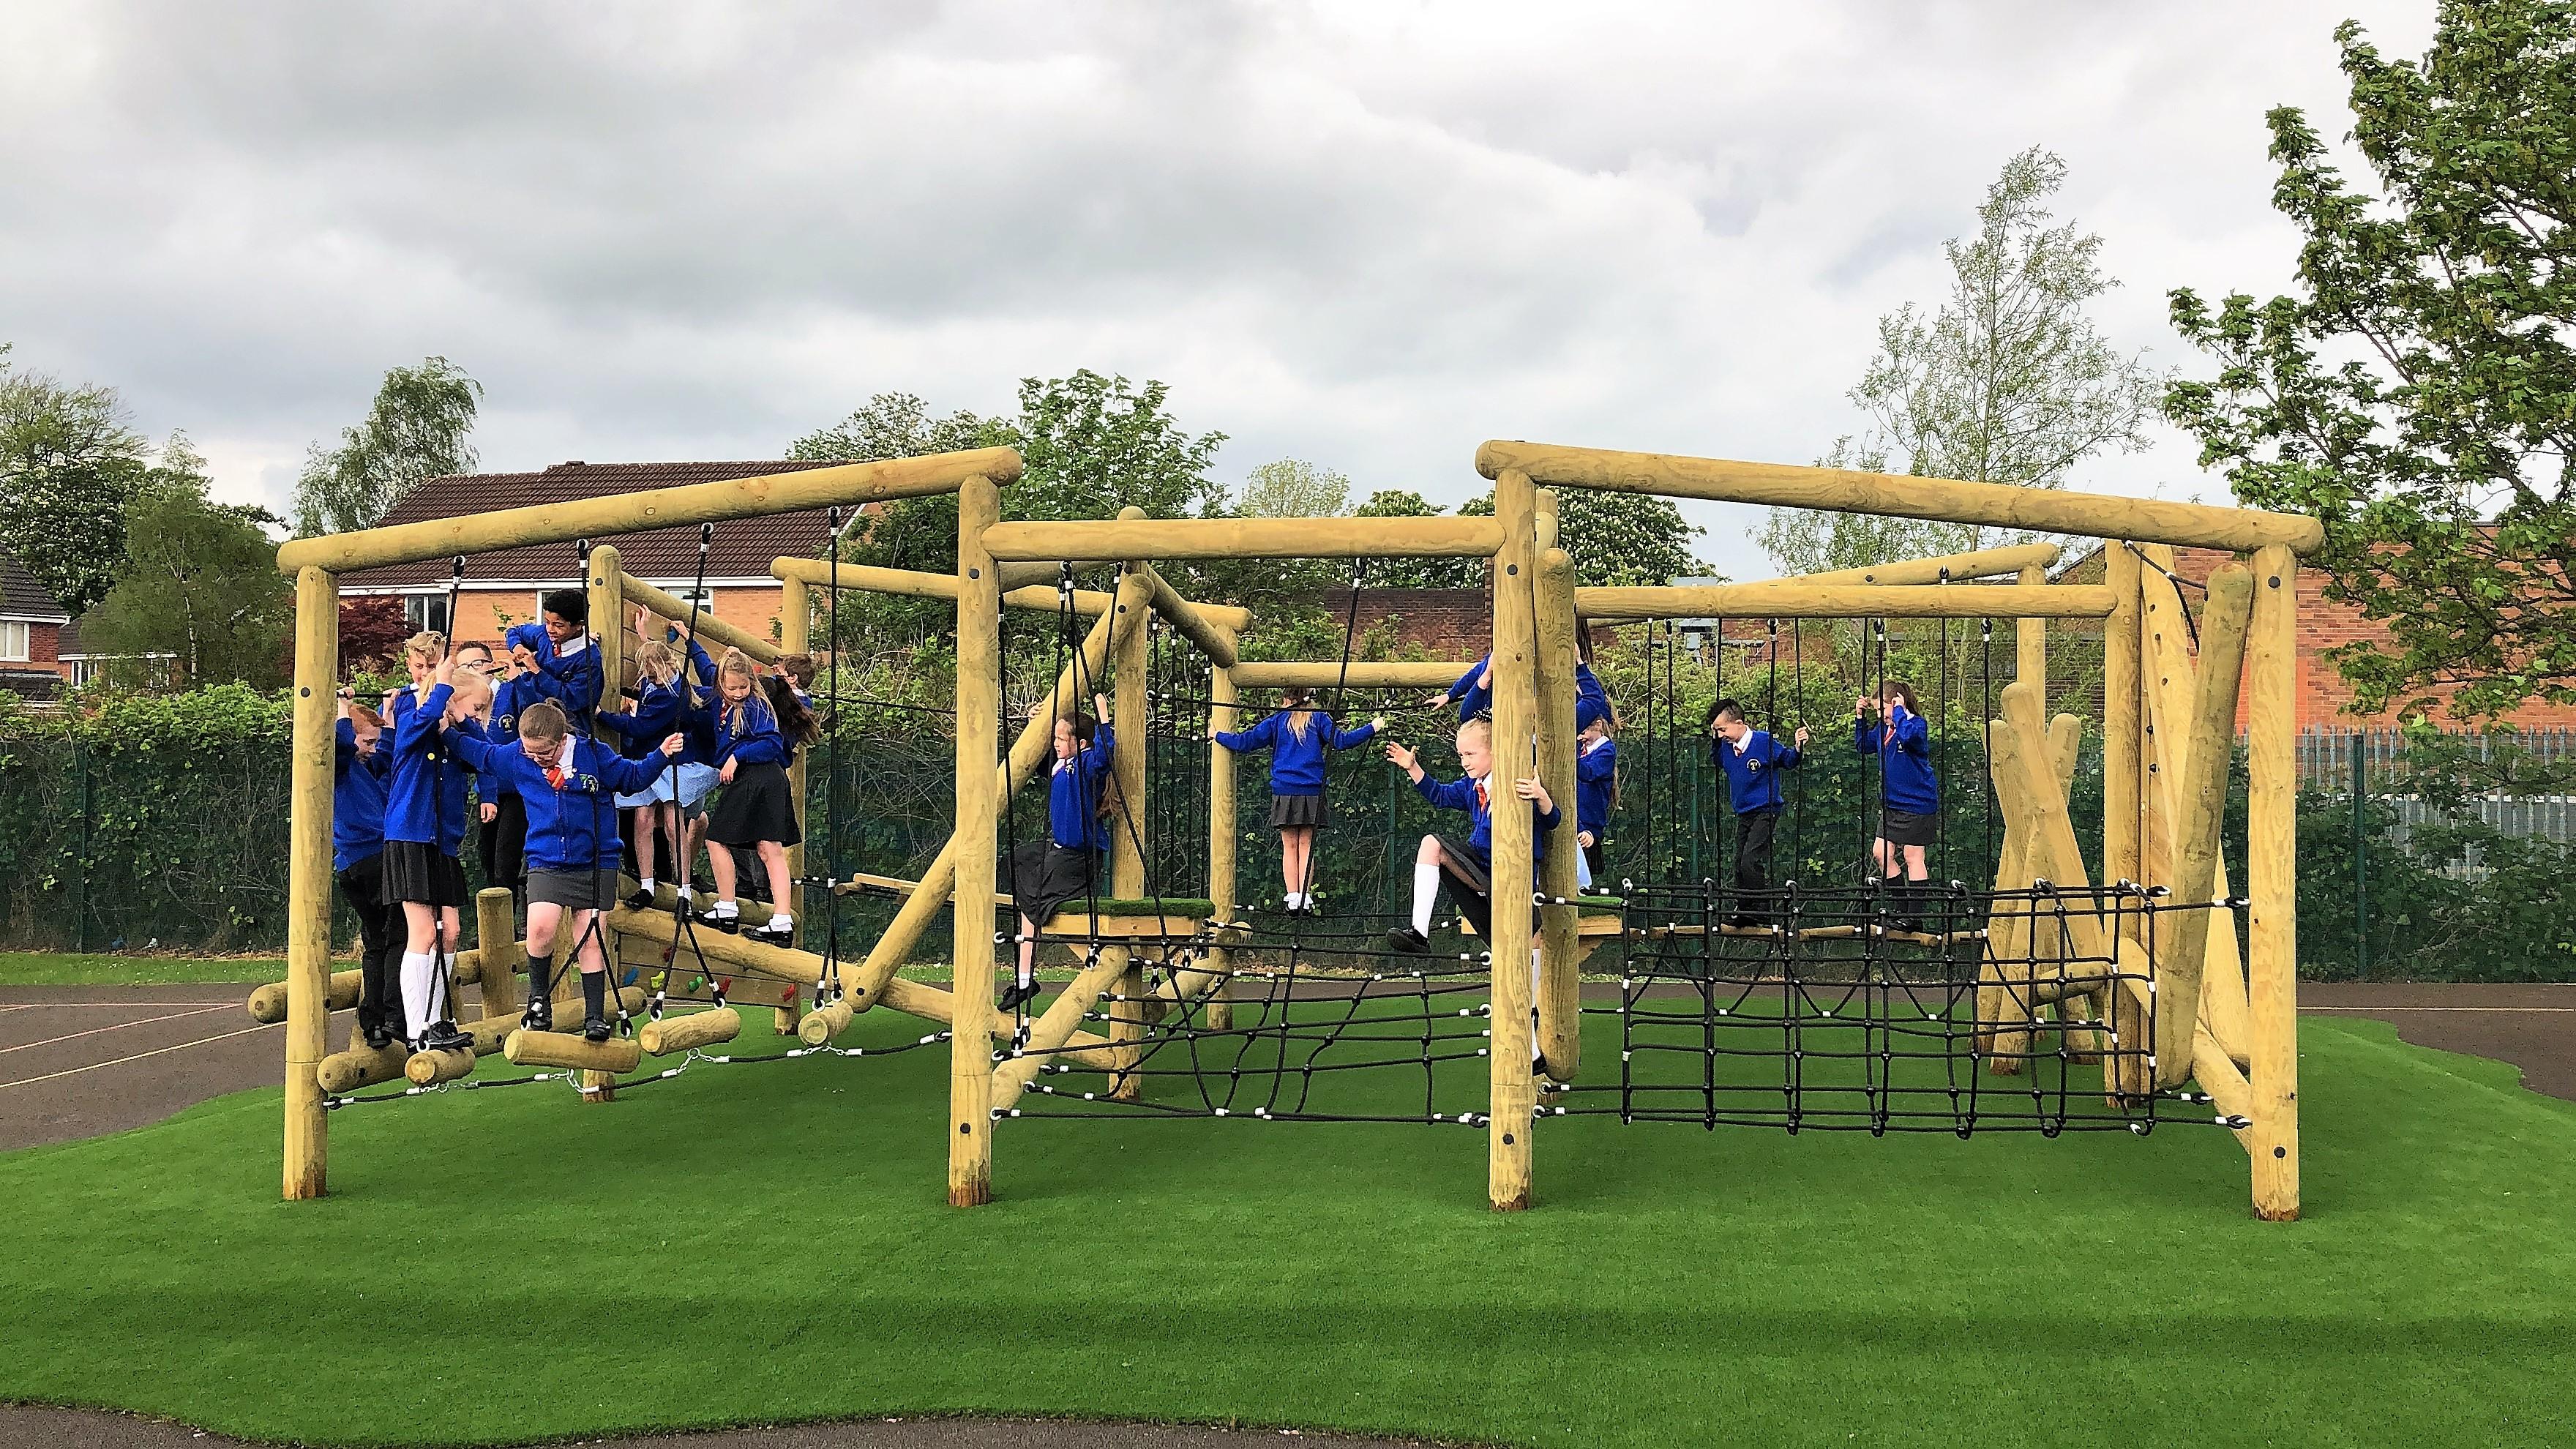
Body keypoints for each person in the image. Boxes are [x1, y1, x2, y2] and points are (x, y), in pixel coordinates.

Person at [449, 700, 684, 1041]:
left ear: (562, 741)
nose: (535, 759)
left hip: (595, 858)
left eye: (543, 752)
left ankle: (593, 1016)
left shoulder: (592, 753)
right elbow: (482, 753)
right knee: (540, 928)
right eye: (529, 751)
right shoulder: (518, 756)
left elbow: (631, 778)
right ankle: (538, 1001)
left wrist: (662, 753)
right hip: (546, 858)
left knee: (591, 937)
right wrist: (448, 729)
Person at [379, 636, 492, 1052]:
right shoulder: (413, 723)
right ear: (450, 698)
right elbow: (421, 722)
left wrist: (462, 721)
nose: (478, 715)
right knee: (423, 932)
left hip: (441, 843)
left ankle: (437, 1019)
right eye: (474, 706)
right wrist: (441, 685)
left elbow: (483, 754)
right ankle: (417, 1027)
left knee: (451, 932)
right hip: (410, 836)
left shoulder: (451, 736)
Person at [1380, 716, 1561, 952]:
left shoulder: (1518, 781)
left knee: (1527, 941)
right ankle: (1419, 934)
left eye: (1470, 754)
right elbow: (1440, 796)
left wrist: (1541, 796)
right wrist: (1413, 767)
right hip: (1482, 866)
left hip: (1515, 871)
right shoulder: (1471, 785)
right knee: (1431, 845)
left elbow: (1552, 819)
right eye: (1461, 755)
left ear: (1496, 750)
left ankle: (1535, 989)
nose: (1464, 762)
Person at [1210, 686, 1384, 913]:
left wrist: (1218, 735)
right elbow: (1343, 741)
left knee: (1289, 846)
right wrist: (1371, 728)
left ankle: (1293, 897)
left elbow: (1247, 742)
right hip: (1312, 792)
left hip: (1285, 791)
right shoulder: (1319, 719)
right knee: (1306, 845)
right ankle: (1304, 896)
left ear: (1287, 700)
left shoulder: (1278, 721)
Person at [999, 693, 1115, 1011]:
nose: (1056, 743)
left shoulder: (1087, 766)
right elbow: (1032, 757)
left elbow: (1106, 755)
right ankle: (1024, 980)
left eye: (1061, 739)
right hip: (1060, 852)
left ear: (1081, 743)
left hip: (1079, 859)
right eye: (1055, 739)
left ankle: (1031, 976)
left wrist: (1103, 716)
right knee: (1016, 862)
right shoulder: (1060, 765)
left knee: (1034, 901)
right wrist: (1036, 723)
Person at [693, 647, 809, 942]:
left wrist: (737, 757)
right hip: (768, 779)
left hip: (756, 776)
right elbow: (705, 672)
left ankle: (727, 906)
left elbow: (772, 743)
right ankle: (781, 920)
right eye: (731, 688)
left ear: (752, 682)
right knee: (769, 850)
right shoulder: (720, 700)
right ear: (721, 684)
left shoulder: (757, 706)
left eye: (743, 686)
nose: (738, 693)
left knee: (716, 839)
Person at [596, 637, 694, 911]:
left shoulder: (673, 696)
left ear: (660, 666)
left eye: (648, 669)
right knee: (642, 819)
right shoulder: (654, 682)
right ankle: (646, 884)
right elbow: (648, 680)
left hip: (670, 759)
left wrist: (603, 715)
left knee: (675, 823)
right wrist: (641, 634)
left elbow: (640, 727)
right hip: (646, 759)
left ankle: (684, 889)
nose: (646, 675)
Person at [331, 693, 400, 1050]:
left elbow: (388, 756)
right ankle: (393, 1016)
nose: (372, 748)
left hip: (354, 865)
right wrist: (342, 708)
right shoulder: (339, 765)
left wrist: (387, 716)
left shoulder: (363, 766)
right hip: (372, 860)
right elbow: (343, 741)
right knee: (398, 937)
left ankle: (373, 1022)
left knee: (375, 942)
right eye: (367, 741)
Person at [1707, 698, 1811, 926]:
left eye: (1723, 729)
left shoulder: (1763, 742)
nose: (1721, 735)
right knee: (1738, 864)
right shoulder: (1725, 748)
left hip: (1766, 809)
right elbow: (1718, 761)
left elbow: (1788, 761)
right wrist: (1715, 740)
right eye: (1717, 731)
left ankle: (1762, 908)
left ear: (1739, 723)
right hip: (1745, 812)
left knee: (1750, 859)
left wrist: (1798, 747)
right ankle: (1745, 910)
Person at [1855, 681, 1938, 930]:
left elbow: (1908, 736)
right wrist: (1860, 718)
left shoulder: (1915, 725)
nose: (1880, 716)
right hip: (1892, 805)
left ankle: (1915, 918)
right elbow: (1863, 746)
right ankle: (1902, 910)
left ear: (1896, 703)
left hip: (1916, 803)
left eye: (1883, 709)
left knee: (1913, 856)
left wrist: (1900, 712)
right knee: (1880, 853)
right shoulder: (1884, 729)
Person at [458, 637, 533, 903]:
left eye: (477, 663)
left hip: (515, 789)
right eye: (464, 666)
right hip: (487, 792)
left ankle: (513, 927)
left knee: (506, 859)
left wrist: (519, 679)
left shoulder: (509, 691)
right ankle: (494, 926)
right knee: (487, 857)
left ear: (491, 664)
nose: (472, 669)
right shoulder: (461, 705)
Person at [516, 591, 602, 731]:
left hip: (567, 727)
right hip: (532, 718)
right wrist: (518, 648)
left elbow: (571, 699)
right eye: (547, 622)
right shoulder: (544, 633)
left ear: (579, 625)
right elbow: (515, 632)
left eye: (558, 625)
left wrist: (537, 672)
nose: (550, 629)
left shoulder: (590, 659)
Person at [1573, 711, 1619, 889]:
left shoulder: (1606, 752)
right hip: (1575, 820)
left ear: (1598, 726)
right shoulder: (1581, 748)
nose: (1580, 737)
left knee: (1582, 878)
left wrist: (1565, 756)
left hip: (1588, 823)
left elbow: (1589, 772)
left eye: (1584, 732)